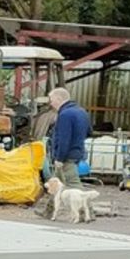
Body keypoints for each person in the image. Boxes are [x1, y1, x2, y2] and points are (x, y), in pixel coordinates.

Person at [36, 85, 90, 216]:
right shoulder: (81, 111)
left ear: (59, 99)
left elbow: (63, 139)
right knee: (55, 184)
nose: (51, 102)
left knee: (74, 184)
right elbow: (89, 132)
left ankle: (87, 213)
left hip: (66, 155)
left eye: (51, 99)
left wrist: (59, 158)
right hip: (77, 151)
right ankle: (48, 212)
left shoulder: (65, 114)